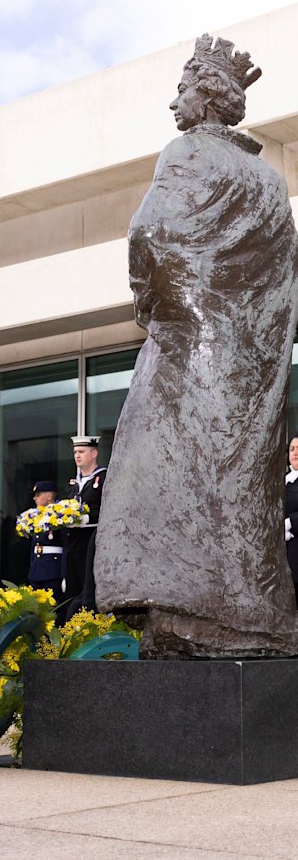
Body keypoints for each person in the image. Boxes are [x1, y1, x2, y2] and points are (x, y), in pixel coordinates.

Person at [94, 34, 298, 657]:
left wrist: (150, 306)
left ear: (207, 99)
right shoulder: (268, 181)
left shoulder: (188, 152)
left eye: (182, 89)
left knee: (158, 477)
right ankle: (247, 623)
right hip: (245, 367)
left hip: (188, 355)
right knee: (236, 489)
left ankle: (186, 619)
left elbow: (148, 232)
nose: (173, 103)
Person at [64, 436, 106, 604]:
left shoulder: (103, 478)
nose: (77, 456)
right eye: (75, 452)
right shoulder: (73, 483)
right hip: (73, 542)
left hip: (92, 539)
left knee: (89, 591)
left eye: (81, 452)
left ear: (94, 453)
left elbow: (108, 507)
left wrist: (88, 518)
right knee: (72, 591)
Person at [27, 481, 65, 603]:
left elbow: (66, 545)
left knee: (53, 606)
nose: (35, 498)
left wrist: (64, 573)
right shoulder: (36, 515)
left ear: (49, 496)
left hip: (53, 569)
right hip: (37, 568)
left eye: (38, 495)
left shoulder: (61, 514)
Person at [285, 435, 298, 609]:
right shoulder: (283, 480)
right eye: (292, 449)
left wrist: (289, 524)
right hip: (285, 551)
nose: (295, 453)